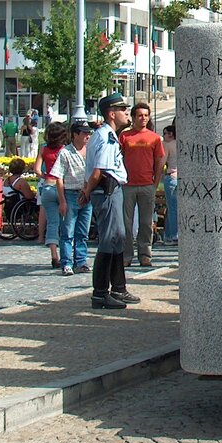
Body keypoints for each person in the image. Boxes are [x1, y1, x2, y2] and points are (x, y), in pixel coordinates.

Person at [78, 92, 139, 309]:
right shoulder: (105, 137)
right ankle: (100, 293)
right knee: (109, 239)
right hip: (107, 191)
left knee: (118, 237)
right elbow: (98, 171)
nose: (126, 113)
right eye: (122, 110)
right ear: (112, 114)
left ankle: (118, 288)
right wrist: (87, 191)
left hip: (111, 191)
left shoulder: (108, 135)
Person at [119, 101, 164, 268]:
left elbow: (159, 162)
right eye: (140, 115)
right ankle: (126, 255)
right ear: (133, 117)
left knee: (146, 223)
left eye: (146, 115)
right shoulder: (124, 136)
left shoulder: (154, 138)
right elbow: (119, 158)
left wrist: (155, 183)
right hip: (127, 185)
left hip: (147, 185)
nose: (143, 118)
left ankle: (145, 254)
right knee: (126, 223)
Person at [51, 120, 94, 276]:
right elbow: (58, 177)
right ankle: (67, 263)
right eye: (84, 133)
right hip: (70, 194)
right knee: (68, 231)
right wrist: (62, 201)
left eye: (89, 133)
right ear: (75, 134)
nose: (88, 136)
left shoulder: (90, 151)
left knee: (83, 232)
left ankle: (81, 261)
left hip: (86, 194)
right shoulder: (65, 152)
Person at [35, 122, 68, 269]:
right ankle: (67, 255)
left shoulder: (44, 149)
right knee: (66, 222)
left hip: (48, 186)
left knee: (52, 223)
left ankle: (54, 255)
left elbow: (36, 169)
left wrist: (45, 175)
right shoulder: (64, 150)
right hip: (62, 187)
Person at [160, 124, 179, 246]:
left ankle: (173, 235)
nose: (164, 136)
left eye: (165, 133)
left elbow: (162, 161)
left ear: (170, 134)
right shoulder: (181, 142)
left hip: (171, 175)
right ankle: (170, 234)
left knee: (172, 208)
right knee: (177, 207)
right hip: (181, 176)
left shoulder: (167, 144)